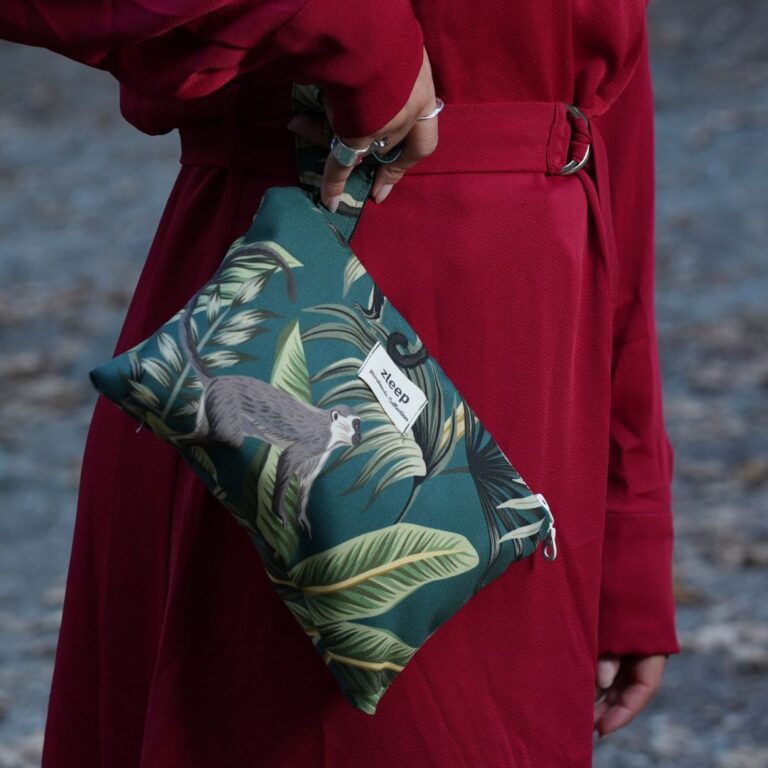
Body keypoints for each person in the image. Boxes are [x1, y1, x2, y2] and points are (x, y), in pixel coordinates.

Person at [0, 1, 679, 765]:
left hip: (546, 361)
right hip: (289, 312)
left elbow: (603, 114)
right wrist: (347, 25)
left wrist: (630, 508)